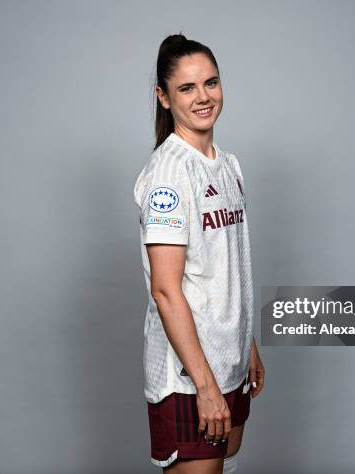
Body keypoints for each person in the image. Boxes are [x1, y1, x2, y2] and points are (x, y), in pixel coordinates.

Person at [133, 33, 265, 474]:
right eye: (187, 88)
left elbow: (224, 266)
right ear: (163, 98)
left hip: (227, 360)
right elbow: (166, 291)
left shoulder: (228, 165)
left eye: (211, 82)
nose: (203, 97)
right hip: (190, 377)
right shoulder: (170, 173)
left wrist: (245, 344)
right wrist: (206, 387)